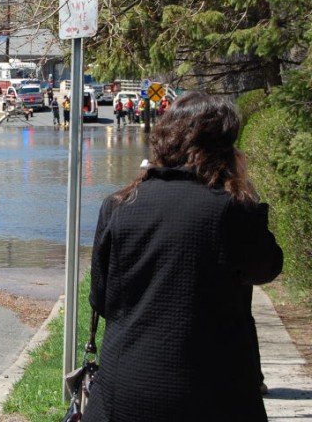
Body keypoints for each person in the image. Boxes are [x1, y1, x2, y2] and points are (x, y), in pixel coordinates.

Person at [83, 91, 283, 422]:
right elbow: (268, 267)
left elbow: (101, 300)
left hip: (125, 390)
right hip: (214, 393)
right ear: (225, 149)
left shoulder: (119, 204)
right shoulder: (232, 209)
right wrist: (245, 189)